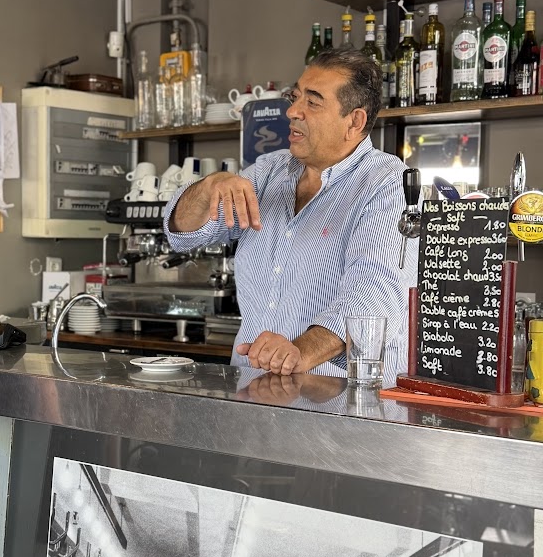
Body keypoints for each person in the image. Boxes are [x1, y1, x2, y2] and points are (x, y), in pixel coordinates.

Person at [165, 49, 413, 378]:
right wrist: (210, 186)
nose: (293, 111)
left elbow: (374, 295)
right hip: (256, 391)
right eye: (294, 97)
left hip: (341, 403)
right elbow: (181, 234)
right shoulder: (269, 171)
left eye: (312, 102)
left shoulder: (387, 182)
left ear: (354, 122)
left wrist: (299, 351)